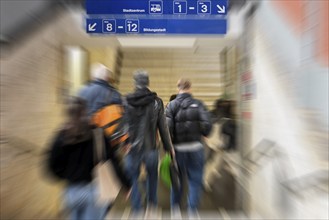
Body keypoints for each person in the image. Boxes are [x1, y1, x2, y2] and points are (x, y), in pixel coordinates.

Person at [78, 63, 131, 208]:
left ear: (93, 76)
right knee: (106, 186)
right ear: (107, 77)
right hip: (105, 146)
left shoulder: (81, 92)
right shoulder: (114, 94)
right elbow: (124, 121)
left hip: (81, 146)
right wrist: (126, 142)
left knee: (84, 183)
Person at [48, 97, 108, 220]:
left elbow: (52, 165)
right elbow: (111, 159)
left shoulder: (62, 135)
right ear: (85, 112)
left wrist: (67, 175)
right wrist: (125, 183)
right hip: (93, 190)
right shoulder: (96, 132)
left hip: (71, 191)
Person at [124, 70, 175, 215]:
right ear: (147, 83)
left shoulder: (126, 100)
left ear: (135, 83)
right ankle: (152, 206)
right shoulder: (156, 102)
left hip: (132, 149)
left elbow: (123, 126)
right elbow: (163, 128)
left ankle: (137, 208)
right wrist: (168, 147)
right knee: (153, 177)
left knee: (133, 177)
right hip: (151, 148)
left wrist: (125, 143)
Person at [165, 78, 212, 217]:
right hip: (196, 149)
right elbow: (208, 124)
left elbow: (167, 129)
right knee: (195, 181)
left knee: (177, 181)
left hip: (178, 150)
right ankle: (192, 211)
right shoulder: (199, 104)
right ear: (190, 87)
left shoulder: (171, 106)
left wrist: (169, 148)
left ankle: (175, 210)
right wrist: (204, 133)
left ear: (178, 87)